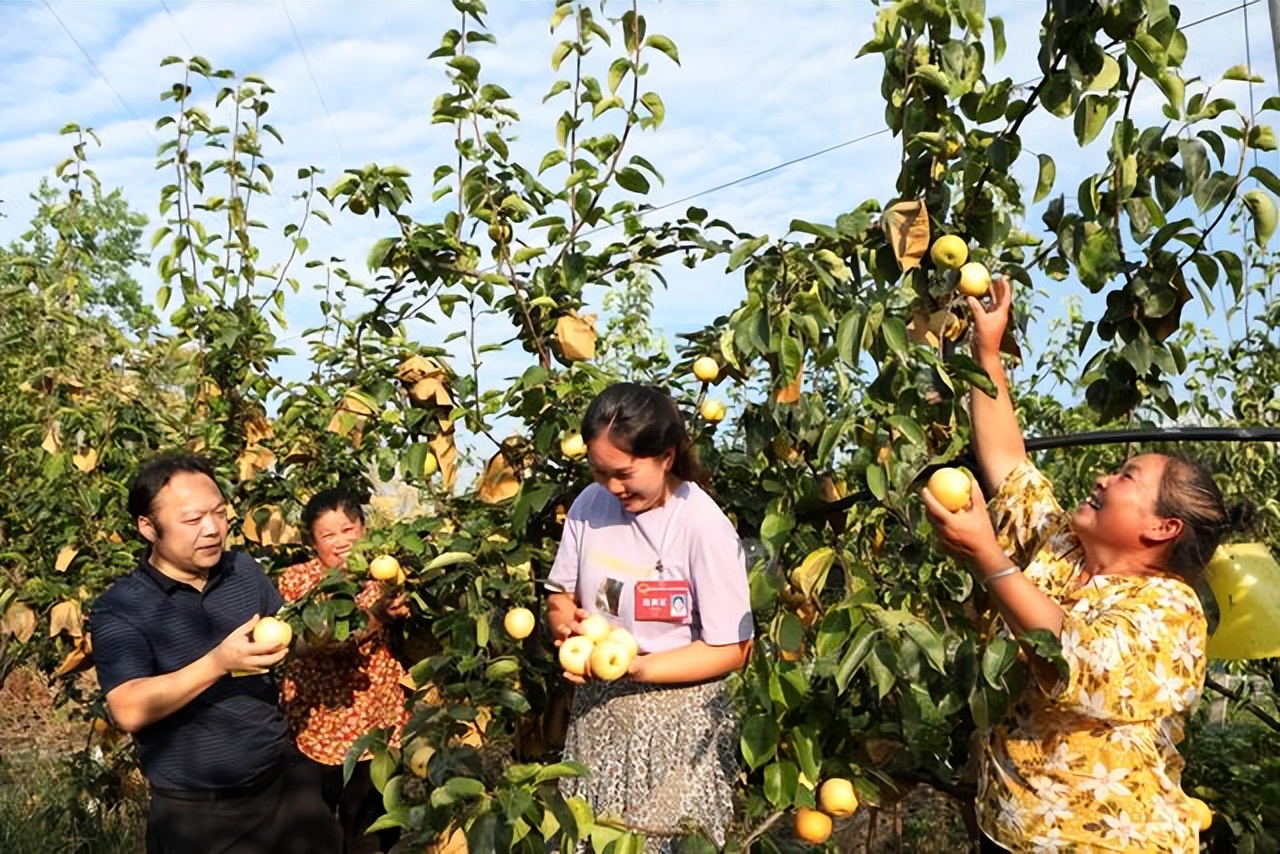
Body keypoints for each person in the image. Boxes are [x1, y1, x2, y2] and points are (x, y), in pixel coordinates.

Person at [921, 277, 1254, 854]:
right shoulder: (1060, 548)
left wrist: (989, 558)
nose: (1103, 477)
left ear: (1162, 528)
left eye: (1127, 477)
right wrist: (987, 353)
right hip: (1008, 833)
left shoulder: (1172, 613)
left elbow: (1071, 666)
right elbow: (1006, 460)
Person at [89, 453, 340, 854]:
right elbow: (128, 708)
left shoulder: (242, 570)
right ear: (148, 528)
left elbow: (289, 643)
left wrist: (336, 629)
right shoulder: (122, 607)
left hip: (286, 789)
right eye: (192, 520)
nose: (212, 529)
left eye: (220, 514)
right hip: (201, 816)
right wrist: (219, 662)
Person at [545, 383, 754, 853]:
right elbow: (560, 597)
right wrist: (565, 629)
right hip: (598, 720)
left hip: (681, 731)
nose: (612, 487)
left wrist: (639, 667)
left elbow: (734, 647)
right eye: (599, 473)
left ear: (665, 455)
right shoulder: (587, 507)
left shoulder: (703, 528)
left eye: (623, 473)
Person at [277, 488, 410, 854]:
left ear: (364, 530)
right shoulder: (298, 583)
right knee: (311, 838)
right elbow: (324, 639)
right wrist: (377, 616)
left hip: (376, 729)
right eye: (328, 535)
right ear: (311, 541)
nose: (340, 543)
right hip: (314, 730)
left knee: (369, 837)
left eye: (348, 530)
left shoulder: (389, 576)